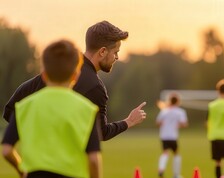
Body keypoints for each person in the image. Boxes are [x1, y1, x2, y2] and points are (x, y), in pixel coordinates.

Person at [1, 40, 103, 178]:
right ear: (76, 74)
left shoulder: (25, 106)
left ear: (44, 73)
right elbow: (93, 159)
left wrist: (22, 170)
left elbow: (6, 150)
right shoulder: (87, 110)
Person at [2, 20, 146, 141]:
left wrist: (37, 136)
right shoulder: (95, 87)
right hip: (66, 168)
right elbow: (100, 133)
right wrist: (129, 121)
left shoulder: (61, 67)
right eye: (116, 52)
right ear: (102, 52)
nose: (117, 58)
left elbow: (10, 109)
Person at [156, 92, 188, 178]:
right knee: (176, 154)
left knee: (165, 153)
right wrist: (177, 124)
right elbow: (184, 124)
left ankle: (161, 169)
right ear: (178, 101)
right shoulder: (180, 112)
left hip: (164, 136)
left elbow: (158, 123)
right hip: (173, 136)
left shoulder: (164, 111)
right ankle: (176, 176)